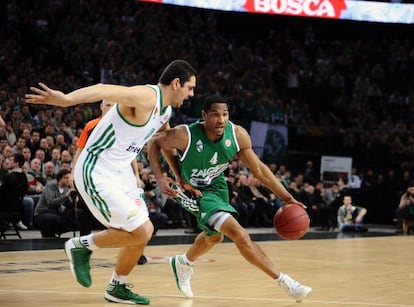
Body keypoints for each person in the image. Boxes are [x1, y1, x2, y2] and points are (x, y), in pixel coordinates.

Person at [26, 59, 197, 305]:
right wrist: (64, 100)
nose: (192, 94)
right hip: (97, 168)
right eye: (190, 88)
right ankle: (81, 246)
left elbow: (163, 142)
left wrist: (169, 177)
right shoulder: (147, 96)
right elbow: (102, 89)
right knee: (140, 230)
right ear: (176, 83)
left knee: (143, 233)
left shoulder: (166, 111)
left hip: (121, 171)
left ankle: (117, 286)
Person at [147, 94, 312, 303]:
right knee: (239, 234)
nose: (221, 119)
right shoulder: (185, 135)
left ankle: (183, 262)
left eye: (225, 114)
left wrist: (288, 198)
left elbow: (259, 170)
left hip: (218, 187)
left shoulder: (237, 135)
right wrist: (163, 178)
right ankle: (287, 283)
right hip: (194, 191)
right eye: (215, 115)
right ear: (204, 115)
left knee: (215, 237)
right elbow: (154, 143)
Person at [34, 169, 83, 237]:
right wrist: (66, 195)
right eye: (66, 178)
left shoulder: (66, 188)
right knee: (56, 219)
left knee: (74, 219)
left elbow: (68, 205)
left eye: (69, 178)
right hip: (43, 212)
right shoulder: (51, 186)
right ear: (60, 178)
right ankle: (48, 235)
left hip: (56, 212)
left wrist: (75, 199)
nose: (68, 180)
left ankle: (54, 234)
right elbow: (51, 203)